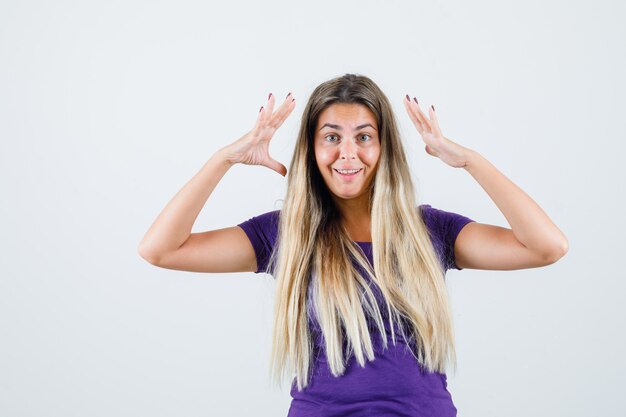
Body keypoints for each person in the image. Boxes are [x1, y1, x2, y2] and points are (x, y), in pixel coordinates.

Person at [138, 73, 569, 417]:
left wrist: (470, 160)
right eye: (332, 137)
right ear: (312, 148)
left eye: (363, 136)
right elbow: (161, 249)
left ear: (383, 148)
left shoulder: (429, 231)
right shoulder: (286, 235)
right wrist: (225, 158)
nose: (348, 153)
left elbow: (546, 246)